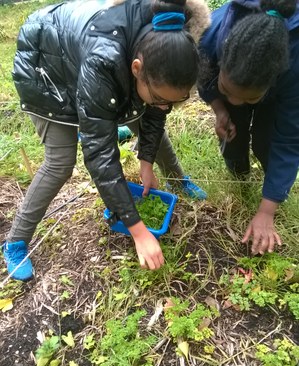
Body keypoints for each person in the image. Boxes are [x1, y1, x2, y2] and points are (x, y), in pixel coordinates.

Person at [2, 0, 210, 280]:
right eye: (161, 98)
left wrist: (146, 161)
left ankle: (178, 180)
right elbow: (99, 155)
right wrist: (138, 230)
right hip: (47, 66)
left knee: (146, 118)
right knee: (60, 162)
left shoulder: (171, 43)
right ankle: (15, 242)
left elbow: (156, 112)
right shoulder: (104, 58)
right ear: (136, 69)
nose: (165, 106)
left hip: (89, 59)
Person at [198, 0, 299, 255]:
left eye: (248, 97)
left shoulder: (294, 69)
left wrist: (267, 211)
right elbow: (205, 78)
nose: (236, 102)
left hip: (282, 89)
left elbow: (289, 139)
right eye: (228, 90)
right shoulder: (211, 36)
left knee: (266, 141)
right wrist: (220, 108)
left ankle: (272, 190)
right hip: (240, 73)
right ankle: (239, 174)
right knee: (234, 136)